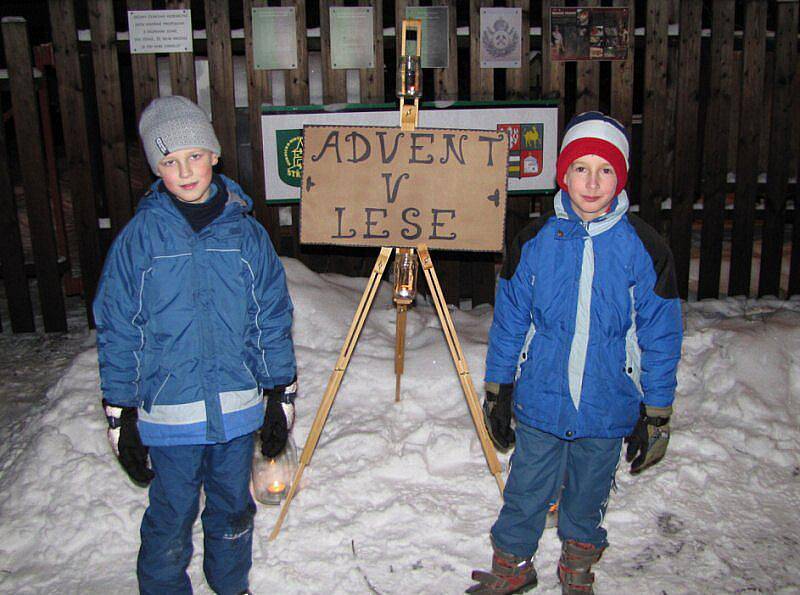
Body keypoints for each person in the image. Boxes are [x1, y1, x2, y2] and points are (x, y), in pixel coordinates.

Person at [470, 111, 682, 594]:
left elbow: (660, 335)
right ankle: (512, 567)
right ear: (562, 175)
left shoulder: (645, 248)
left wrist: (657, 410)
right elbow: (510, 323)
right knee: (525, 492)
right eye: (580, 169)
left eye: (605, 170)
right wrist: (499, 387)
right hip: (541, 398)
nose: (592, 182)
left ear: (620, 177)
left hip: (607, 403)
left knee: (587, 497)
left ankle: (578, 568)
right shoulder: (534, 242)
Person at [94, 95, 297, 595]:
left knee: (233, 509)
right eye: (168, 161)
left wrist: (279, 394)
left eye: (193, 156)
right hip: (169, 415)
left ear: (214, 155)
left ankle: (232, 586)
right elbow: (119, 327)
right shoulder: (139, 241)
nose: (184, 171)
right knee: (171, 515)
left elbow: (270, 315)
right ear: (156, 168)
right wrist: (120, 413)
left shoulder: (247, 236)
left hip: (236, 409)